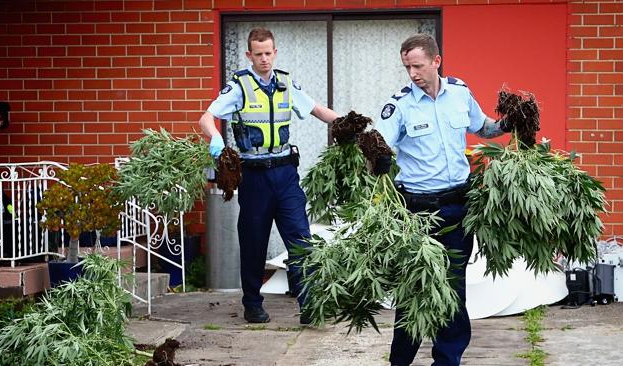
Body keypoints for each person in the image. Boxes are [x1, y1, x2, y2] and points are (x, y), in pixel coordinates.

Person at [372, 34, 512, 366]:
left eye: (417, 66)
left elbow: (484, 129)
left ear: (436, 62)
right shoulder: (400, 105)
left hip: (457, 206)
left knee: (452, 289)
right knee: (413, 290)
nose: (412, 74)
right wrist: (377, 158)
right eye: (407, 67)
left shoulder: (460, 94)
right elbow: (379, 143)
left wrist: (510, 122)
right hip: (416, 212)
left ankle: (447, 361)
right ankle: (400, 361)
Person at [198, 27, 339, 324]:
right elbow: (207, 117)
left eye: (268, 53)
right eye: (258, 54)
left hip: (286, 173)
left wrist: (350, 122)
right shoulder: (239, 86)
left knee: (301, 239)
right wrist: (215, 139)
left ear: (275, 52)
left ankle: (309, 304)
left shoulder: (286, 83)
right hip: (254, 176)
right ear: (249, 55)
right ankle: (252, 303)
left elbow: (316, 110)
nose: (264, 59)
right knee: (253, 241)